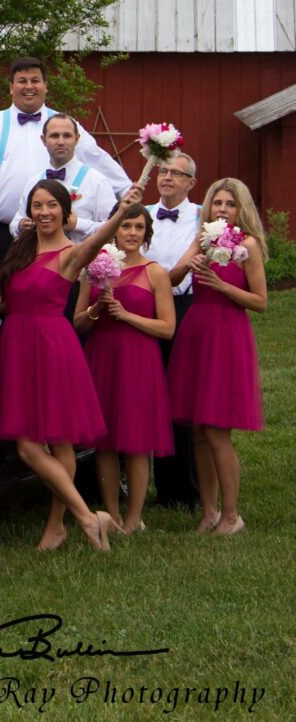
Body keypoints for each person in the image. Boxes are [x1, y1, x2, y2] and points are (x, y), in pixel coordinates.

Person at [0, 178, 144, 550]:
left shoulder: (71, 253)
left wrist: (121, 211)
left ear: (65, 212)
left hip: (52, 347)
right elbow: (4, 302)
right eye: (37, 205)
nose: (44, 212)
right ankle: (85, 518)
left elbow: (98, 239)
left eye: (51, 205)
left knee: (55, 442)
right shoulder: (20, 250)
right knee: (31, 444)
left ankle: (62, 524)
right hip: (18, 347)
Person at [167, 178, 268, 536]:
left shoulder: (248, 245)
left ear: (241, 209)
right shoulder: (203, 239)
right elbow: (172, 278)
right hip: (197, 330)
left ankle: (231, 514)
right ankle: (208, 511)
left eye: (229, 204)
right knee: (197, 429)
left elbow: (260, 300)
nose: (222, 209)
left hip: (227, 335)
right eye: (216, 203)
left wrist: (224, 285)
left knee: (217, 429)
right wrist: (191, 257)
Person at [0, 57, 131, 260]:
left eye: (35, 80)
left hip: (61, 235)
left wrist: (128, 192)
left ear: (46, 86)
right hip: (1, 232)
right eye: (22, 81)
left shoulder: (64, 125)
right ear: (11, 87)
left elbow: (98, 159)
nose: (29, 86)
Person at [72, 204, 175, 533]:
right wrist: (97, 308)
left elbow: (167, 328)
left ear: (146, 233)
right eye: (127, 226)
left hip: (139, 362)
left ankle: (133, 519)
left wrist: (127, 316)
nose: (132, 233)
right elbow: (77, 323)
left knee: (136, 441)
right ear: (115, 229)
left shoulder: (155, 272)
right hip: (102, 358)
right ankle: (113, 515)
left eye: (139, 227)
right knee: (105, 442)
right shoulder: (97, 269)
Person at [144, 154, 202, 509]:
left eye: (176, 173)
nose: (167, 177)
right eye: (163, 171)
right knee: (158, 398)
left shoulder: (202, 218)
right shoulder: (143, 217)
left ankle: (193, 488)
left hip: (187, 308)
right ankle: (165, 490)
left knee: (185, 397)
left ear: (191, 183)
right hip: (146, 310)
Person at [9, 114, 117, 244]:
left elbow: (114, 229)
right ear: (43, 140)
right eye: (54, 136)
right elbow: (15, 223)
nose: (60, 142)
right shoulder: (34, 181)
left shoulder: (97, 182)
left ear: (77, 139)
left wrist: (77, 224)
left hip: (82, 261)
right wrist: (21, 225)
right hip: (39, 258)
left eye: (67, 136)